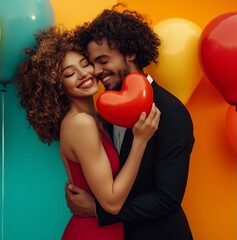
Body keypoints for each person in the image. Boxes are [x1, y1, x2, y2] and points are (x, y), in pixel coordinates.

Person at [14, 26, 160, 240]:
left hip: (107, 229)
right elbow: (112, 202)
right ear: (58, 86)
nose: (84, 74)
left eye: (85, 64)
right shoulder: (80, 123)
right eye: (70, 73)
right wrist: (140, 141)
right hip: (93, 232)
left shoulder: (98, 118)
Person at [65, 4, 195, 240]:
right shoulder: (105, 109)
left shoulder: (172, 112)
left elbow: (167, 199)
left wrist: (99, 211)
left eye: (103, 60)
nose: (96, 71)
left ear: (131, 53)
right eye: (92, 62)